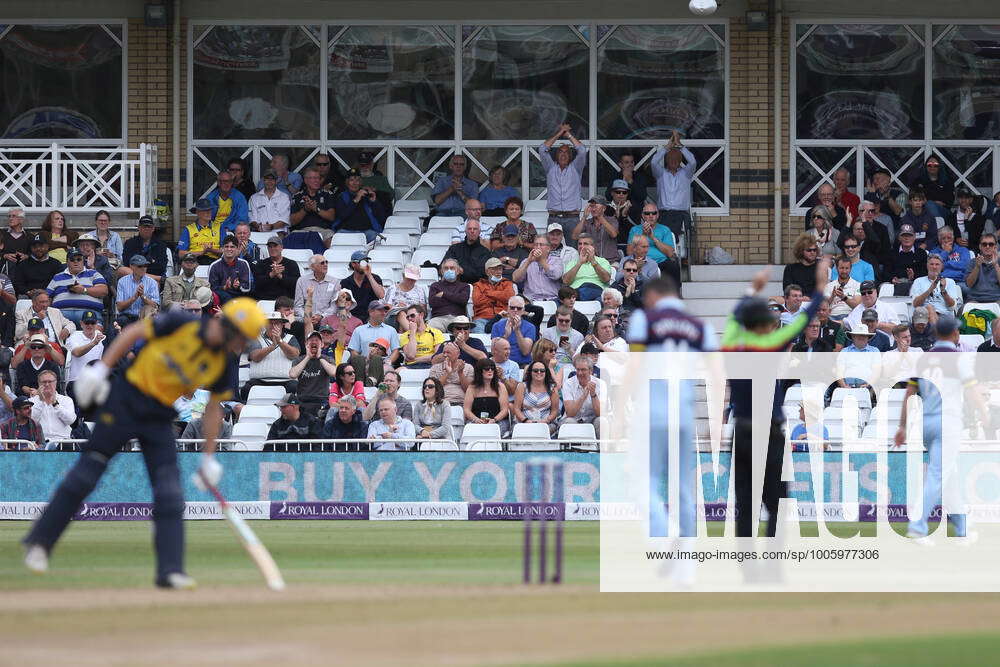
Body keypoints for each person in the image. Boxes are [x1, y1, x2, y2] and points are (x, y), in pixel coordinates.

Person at [22, 298, 266, 587]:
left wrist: (208, 456)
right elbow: (134, 333)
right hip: (125, 398)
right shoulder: (183, 323)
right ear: (229, 330)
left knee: (170, 490)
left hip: (158, 415)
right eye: (242, 339)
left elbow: (214, 407)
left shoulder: (224, 360)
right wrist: (101, 370)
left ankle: (170, 570)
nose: (242, 347)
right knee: (87, 474)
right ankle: (39, 543)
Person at [721, 259, 829, 538]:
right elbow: (804, 320)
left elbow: (733, 320)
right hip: (768, 432)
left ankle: (746, 566)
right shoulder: (771, 346)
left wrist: (751, 290)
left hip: (742, 430)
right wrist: (819, 288)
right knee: (776, 502)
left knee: (745, 502)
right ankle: (772, 563)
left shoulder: (732, 345)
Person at [894, 315, 986, 542]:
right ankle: (918, 524)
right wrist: (985, 413)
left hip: (927, 423)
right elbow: (972, 392)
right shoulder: (958, 358)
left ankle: (961, 527)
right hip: (949, 422)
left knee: (949, 473)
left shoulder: (923, 359)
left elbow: (908, 394)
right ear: (955, 334)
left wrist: (902, 427)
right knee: (938, 474)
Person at [540, 123, 587, 241]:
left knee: (574, 249)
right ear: (556, 154)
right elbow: (542, 149)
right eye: (561, 151)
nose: (563, 154)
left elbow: (581, 150)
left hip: (572, 218)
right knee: (551, 250)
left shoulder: (576, 168)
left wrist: (568, 135)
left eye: (566, 152)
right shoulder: (550, 167)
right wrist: (560, 133)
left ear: (570, 155)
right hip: (554, 217)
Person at [241, 312, 301, 402]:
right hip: (259, 381)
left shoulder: (290, 338)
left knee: (295, 388)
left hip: (286, 381)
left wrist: (280, 341)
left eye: (276, 323)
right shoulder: (256, 338)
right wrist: (272, 346)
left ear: (282, 325)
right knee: (246, 389)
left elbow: (294, 354)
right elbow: (255, 357)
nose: (273, 326)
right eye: (270, 323)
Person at [650, 130, 696, 240]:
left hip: (681, 215)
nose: (673, 161)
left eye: (676, 159)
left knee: (681, 245)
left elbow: (693, 162)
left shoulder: (686, 173)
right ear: (666, 160)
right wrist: (666, 148)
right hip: (664, 215)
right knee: (663, 240)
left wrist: (680, 145)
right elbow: (653, 162)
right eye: (671, 159)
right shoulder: (661, 174)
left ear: (680, 160)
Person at [46, 249, 109, 326]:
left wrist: (83, 290)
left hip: (88, 312)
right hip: (61, 314)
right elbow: (47, 297)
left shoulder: (94, 274)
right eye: (72, 259)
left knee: (96, 332)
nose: (76, 262)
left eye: (79, 259)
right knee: (52, 330)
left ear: (83, 261)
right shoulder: (57, 277)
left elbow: (103, 291)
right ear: (67, 262)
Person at [346, 301, 400, 385]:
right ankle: (362, 385)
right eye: (380, 310)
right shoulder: (359, 330)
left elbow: (396, 351)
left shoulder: (391, 330)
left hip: (384, 365)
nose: (383, 313)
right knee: (360, 360)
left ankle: (368, 383)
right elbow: (353, 351)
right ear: (371, 312)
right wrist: (365, 362)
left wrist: (387, 362)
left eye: (384, 311)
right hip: (364, 364)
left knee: (377, 360)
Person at [289, 331, 336, 418]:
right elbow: (292, 374)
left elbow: (333, 373)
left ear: (322, 344)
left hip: (321, 400)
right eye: (311, 340)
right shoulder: (299, 360)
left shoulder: (327, 359)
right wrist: (308, 357)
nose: (314, 342)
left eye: (317, 340)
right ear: (306, 344)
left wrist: (319, 357)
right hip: (303, 400)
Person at [334, 168, 388, 242]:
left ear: (360, 182)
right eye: (351, 180)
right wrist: (356, 200)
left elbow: (381, 217)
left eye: (357, 180)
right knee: (338, 237)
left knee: (379, 239)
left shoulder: (366, 195)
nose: (355, 183)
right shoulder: (342, 197)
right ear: (347, 182)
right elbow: (342, 215)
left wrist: (374, 202)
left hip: (366, 232)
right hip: (347, 232)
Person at [561, 355, 606, 437]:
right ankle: (572, 449)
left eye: (583, 370)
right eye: (578, 369)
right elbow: (570, 413)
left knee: (601, 421)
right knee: (569, 422)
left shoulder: (601, 384)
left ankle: (601, 448)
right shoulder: (568, 383)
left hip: (592, 420)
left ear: (590, 371)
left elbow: (600, 413)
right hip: (574, 419)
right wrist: (584, 395)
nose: (580, 373)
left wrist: (593, 394)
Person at [65, 311, 105, 401]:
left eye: (92, 323)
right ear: (81, 323)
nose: (90, 325)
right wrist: (93, 343)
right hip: (76, 381)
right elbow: (77, 353)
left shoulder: (101, 337)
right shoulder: (74, 336)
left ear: (96, 324)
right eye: (87, 322)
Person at [512, 361, 560, 435]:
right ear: (530, 372)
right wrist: (525, 420)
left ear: (546, 372)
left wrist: (546, 420)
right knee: (522, 430)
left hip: (546, 423)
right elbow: (516, 408)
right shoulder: (522, 386)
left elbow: (555, 411)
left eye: (542, 370)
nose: (539, 372)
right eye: (535, 370)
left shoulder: (552, 388)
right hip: (524, 422)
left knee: (544, 431)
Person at [911, 254, 962, 324]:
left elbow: (952, 307)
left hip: (944, 316)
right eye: (931, 264)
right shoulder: (918, 281)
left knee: (931, 309)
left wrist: (943, 291)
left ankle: (935, 332)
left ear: (941, 267)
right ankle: (936, 332)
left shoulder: (950, 282)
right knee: (929, 308)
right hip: (923, 317)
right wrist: (930, 289)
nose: (934, 267)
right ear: (927, 266)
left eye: (937, 264)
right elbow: (915, 304)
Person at [512, 236, 563, 305]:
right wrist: (528, 261)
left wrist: (541, 260)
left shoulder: (557, 260)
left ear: (548, 248)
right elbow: (516, 278)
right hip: (531, 301)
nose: (538, 247)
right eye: (536, 245)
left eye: (541, 245)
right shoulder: (526, 261)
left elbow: (555, 275)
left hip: (552, 300)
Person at [606, 150, 651, 226]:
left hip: (635, 216)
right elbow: (608, 196)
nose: (630, 165)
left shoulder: (639, 177)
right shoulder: (614, 177)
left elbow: (642, 196)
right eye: (627, 162)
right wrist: (623, 181)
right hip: (616, 215)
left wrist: (630, 181)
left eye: (632, 162)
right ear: (620, 164)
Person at [29, 370, 75, 445]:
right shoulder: (31, 401)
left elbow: (70, 420)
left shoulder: (66, 400)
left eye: (50, 381)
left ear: (55, 382)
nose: (47, 384)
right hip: (39, 443)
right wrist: (40, 401)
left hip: (62, 442)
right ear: (39, 383)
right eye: (44, 382)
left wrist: (55, 404)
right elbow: (31, 422)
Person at [562, 234, 613, 302]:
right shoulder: (572, 263)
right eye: (580, 244)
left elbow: (606, 279)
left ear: (593, 247)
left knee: (587, 288)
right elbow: (566, 281)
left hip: (596, 291)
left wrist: (593, 261)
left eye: (585, 244)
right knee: (558, 300)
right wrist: (579, 263)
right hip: (575, 292)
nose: (582, 246)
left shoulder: (602, 261)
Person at [463, 358, 509, 429]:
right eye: (487, 369)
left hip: (497, 421)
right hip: (476, 421)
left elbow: (504, 410)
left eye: (492, 368)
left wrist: (494, 420)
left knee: (494, 429)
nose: (490, 370)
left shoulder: (501, 387)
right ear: (480, 371)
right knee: (472, 429)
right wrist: (476, 419)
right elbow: (466, 409)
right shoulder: (472, 388)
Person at [489, 295, 536, 366]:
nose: (515, 310)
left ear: (523, 311)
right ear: (508, 309)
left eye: (519, 308)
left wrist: (517, 330)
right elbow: (493, 351)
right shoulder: (497, 325)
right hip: (501, 363)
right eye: (512, 308)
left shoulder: (530, 327)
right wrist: (505, 336)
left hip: (522, 364)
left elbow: (525, 351)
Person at [427, 258, 472, 331]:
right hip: (438, 318)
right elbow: (432, 303)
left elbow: (463, 300)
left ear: (457, 271)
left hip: (458, 318)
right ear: (442, 271)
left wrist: (443, 294)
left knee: (463, 330)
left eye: (452, 268)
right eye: (446, 268)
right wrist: (455, 298)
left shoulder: (465, 286)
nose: (449, 270)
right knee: (431, 330)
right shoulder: (435, 286)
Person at [396, 304, 446, 369]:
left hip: (431, 365)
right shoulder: (405, 335)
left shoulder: (436, 332)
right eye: (407, 317)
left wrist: (415, 359)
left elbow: (437, 357)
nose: (410, 319)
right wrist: (412, 332)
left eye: (412, 315)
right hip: (410, 366)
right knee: (397, 372)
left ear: (421, 315)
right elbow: (411, 355)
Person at [442, 219, 492, 285]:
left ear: (479, 232)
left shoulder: (485, 252)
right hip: (454, 285)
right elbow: (442, 267)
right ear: (465, 231)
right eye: (469, 229)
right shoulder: (454, 248)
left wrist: (462, 270)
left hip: (477, 287)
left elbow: (482, 273)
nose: (472, 231)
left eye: (475, 229)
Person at [472, 258, 515, 333]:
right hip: (482, 318)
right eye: (494, 269)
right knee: (479, 336)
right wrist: (500, 297)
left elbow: (509, 297)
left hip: (502, 317)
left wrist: (488, 293)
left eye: (500, 269)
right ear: (487, 272)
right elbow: (477, 302)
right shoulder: (478, 285)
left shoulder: (507, 283)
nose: (498, 272)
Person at [121, 216, 169, 284]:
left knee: (155, 282)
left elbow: (161, 266)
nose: (146, 229)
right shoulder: (130, 243)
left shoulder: (160, 244)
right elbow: (127, 262)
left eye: (149, 227)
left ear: (153, 229)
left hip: (153, 277)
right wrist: (149, 261)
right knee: (122, 270)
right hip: (133, 276)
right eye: (144, 227)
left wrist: (140, 265)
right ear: (139, 228)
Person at [339, 250, 386, 320]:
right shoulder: (345, 282)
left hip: (371, 317)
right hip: (352, 317)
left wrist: (369, 275)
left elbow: (381, 295)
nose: (365, 264)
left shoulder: (375, 278)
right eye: (362, 262)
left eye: (366, 262)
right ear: (353, 264)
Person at [252, 235, 300, 301]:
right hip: (265, 300)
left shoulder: (291, 264)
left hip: (286, 301)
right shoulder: (261, 264)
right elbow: (257, 283)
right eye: (270, 247)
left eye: (275, 246)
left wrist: (280, 276)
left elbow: (296, 283)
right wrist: (271, 274)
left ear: (281, 248)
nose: (272, 249)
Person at [289, 168, 336, 235]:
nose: (317, 181)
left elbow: (331, 217)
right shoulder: (297, 196)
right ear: (305, 180)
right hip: (302, 231)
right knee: (293, 237)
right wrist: (305, 209)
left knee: (330, 237)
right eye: (313, 178)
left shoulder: (327, 194)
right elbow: (292, 222)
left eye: (318, 178)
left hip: (323, 231)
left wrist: (316, 209)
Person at [204, 170, 249, 240]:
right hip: (212, 230)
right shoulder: (210, 197)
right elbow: (204, 218)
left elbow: (242, 219)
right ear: (218, 182)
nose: (226, 184)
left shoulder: (239, 197)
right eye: (223, 181)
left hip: (232, 230)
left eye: (229, 181)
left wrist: (228, 228)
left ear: (232, 183)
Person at [383, 264, 429, 331]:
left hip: (414, 318)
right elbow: (386, 310)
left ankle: (407, 335)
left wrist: (410, 309)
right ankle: (413, 334)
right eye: (409, 278)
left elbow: (424, 312)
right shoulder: (393, 289)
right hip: (393, 319)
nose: (411, 281)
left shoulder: (420, 290)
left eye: (413, 279)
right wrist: (396, 306)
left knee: (409, 316)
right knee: (401, 314)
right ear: (403, 276)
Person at [208, 236, 252, 305]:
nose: (229, 249)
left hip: (239, 298)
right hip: (221, 300)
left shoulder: (243, 264)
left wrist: (239, 286)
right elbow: (211, 289)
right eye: (226, 246)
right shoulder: (214, 266)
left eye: (232, 247)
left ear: (237, 249)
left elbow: (247, 288)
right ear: (222, 249)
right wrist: (224, 287)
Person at [115, 255, 161, 322]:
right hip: (127, 316)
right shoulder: (122, 281)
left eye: (145, 265)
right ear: (131, 267)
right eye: (140, 266)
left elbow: (155, 306)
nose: (143, 268)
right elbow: (119, 307)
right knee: (121, 321)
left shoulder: (152, 282)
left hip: (145, 317)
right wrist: (134, 298)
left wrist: (143, 296)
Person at [178, 198, 222, 265]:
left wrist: (211, 250)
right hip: (194, 263)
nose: (208, 212)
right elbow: (181, 254)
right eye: (205, 210)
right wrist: (201, 252)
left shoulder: (219, 227)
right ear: (197, 213)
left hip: (216, 263)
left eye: (210, 210)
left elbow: (227, 250)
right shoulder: (188, 229)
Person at [293, 254, 337, 319]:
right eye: (322, 263)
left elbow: (334, 306)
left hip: (326, 320)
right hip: (305, 318)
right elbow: (298, 306)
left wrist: (321, 316)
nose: (325, 265)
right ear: (312, 267)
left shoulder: (334, 282)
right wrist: (307, 317)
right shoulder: (302, 281)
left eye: (326, 262)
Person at [911, 155, 954, 220]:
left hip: (943, 212)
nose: (932, 167)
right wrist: (932, 203)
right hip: (922, 211)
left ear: (939, 167)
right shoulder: (918, 181)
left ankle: (936, 226)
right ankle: (937, 226)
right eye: (929, 165)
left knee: (930, 205)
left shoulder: (946, 182)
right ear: (925, 166)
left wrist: (928, 201)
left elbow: (949, 201)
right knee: (930, 204)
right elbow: (913, 196)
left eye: (935, 165)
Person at [249, 169, 292, 233]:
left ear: (276, 180)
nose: (269, 181)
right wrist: (258, 226)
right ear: (263, 180)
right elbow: (252, 219)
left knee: (275, 241)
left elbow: (284, 220)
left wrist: (272, 227)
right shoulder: (254, 198)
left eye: (272, 179)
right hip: (259, 232)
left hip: (278, 232)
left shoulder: (284, 197)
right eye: (267, 179)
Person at [414, 376, 453, 442]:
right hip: (422, 438)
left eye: (430, 386)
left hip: (441, 439)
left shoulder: (445, 404)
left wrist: (429, 435)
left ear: (437, 390)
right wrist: (422, 431)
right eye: (425, 386)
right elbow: (415, 425)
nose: (426, 388)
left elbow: (445, 428)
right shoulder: (419, 405)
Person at [964, 233, 1000, 303]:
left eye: (991, 244)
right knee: (964, 310)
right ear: (980, 246)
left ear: (995, 247)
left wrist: (996, 265)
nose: (987, 246)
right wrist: (977, 267)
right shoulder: (973, 262)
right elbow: (969, 284)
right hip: (975, 299)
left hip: (996, 299)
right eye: (984, 244)